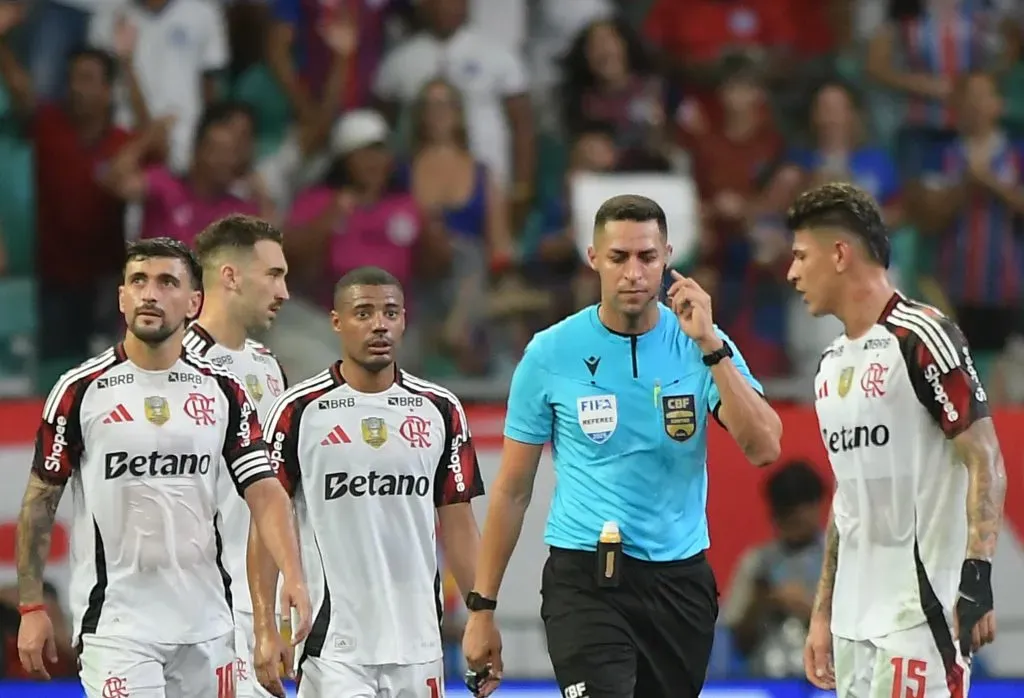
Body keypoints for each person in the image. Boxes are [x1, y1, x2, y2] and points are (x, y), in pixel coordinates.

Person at [462, 194, 783, 698]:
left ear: (667, 258)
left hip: (680, 584)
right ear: (593, 259)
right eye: (618, 258)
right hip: (584, 579)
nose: (633, 273)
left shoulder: (700, 343)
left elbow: (764, 446)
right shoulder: (549, 354)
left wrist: (710, 346)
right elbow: (512, 491)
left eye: (647, 257)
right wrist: (482, 609)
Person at [14, 237, 311, 698]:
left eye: (166, 282)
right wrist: (32, 606)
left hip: (209, 625)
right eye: (138, 281)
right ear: (121, 297)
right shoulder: (81, 390)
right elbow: (40, 499)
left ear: (194, 301)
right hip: (117, 626)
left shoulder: (223, 390)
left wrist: (293, 577)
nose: (149, 293)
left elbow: (266, 491)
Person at [785, 182, 1006, 697]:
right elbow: (847, 502)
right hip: (852, 622)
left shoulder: (922, 336)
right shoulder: (829, 365)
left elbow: (986, 459)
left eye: (800, 256)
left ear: (840, 254)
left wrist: (977, 577)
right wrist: (823, 614)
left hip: (919, 619)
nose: (791, 273)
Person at [248, 265, 487, 698]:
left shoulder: (440, 409)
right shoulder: (297, 411)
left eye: (390, 313)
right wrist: (264, 627)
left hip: (419, 645)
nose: (379, 324)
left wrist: (482, 615)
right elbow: (266, 522)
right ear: (336, 323)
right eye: (363, 313)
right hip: (331, 646)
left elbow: (459, 526)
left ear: (404, 321)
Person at [184, 215, 291, 698]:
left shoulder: (268, 366)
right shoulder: (173, 365)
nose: (284, 291)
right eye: (273, 274)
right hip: (194, 607)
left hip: (257, 604)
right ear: (229, 277)